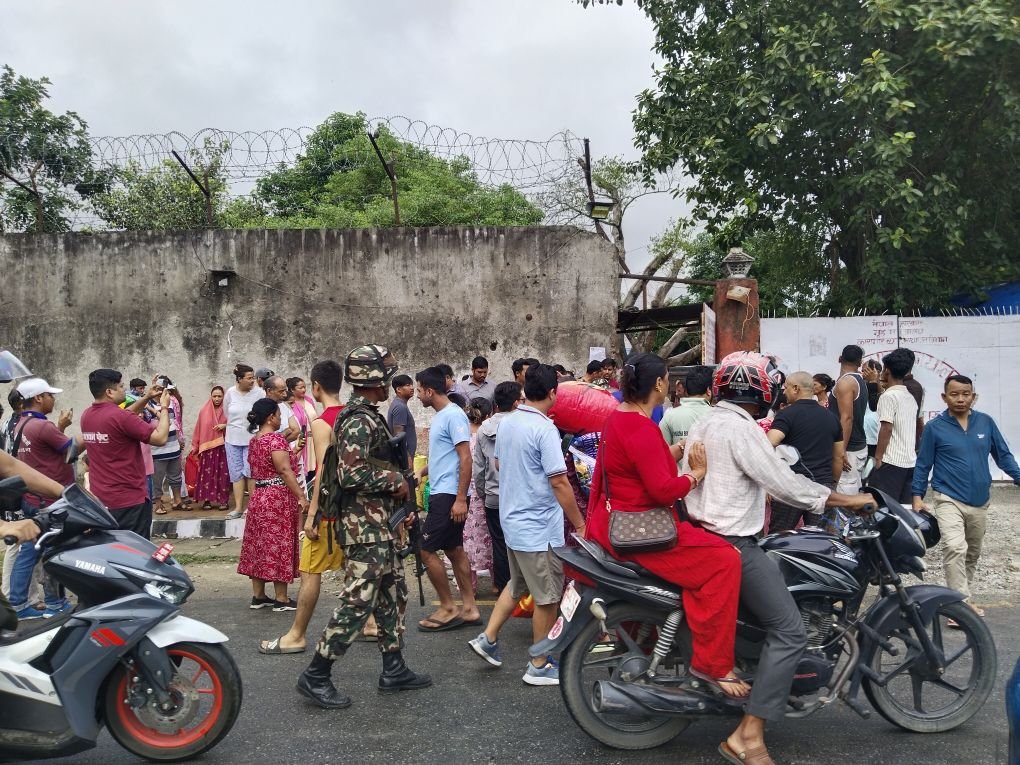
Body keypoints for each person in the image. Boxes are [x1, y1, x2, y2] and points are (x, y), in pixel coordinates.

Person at [684, 351, 875, 765]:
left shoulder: (706, 421)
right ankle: (748, 735)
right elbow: (783, 484)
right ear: (763, 391)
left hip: (704, 536)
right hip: (734, 543)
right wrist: (846, 499)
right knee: (790, 631)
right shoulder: (742, 429)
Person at [568, 353, 749, 697]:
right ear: (659, 384)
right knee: (725, 561)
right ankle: (712, 664)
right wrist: (696, 475)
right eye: (666, 378)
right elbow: (663, 490)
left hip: (614, 523)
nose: (669, 384)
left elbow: (639, 464)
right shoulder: (642, 427)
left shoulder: (618, 418)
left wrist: (678, 449)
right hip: (642, 531)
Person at [297, 345, 431, 708]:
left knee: (392, 595)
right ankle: (316, 674)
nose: (389, 382)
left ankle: (394, 668)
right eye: (385, 377)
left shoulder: (370, 415)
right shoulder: (358, 419)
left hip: (379, 525)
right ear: (372, 379)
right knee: (358, 601)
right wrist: (396, 482)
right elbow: (350, 474)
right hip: (364, 529)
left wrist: (400, 502)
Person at [468, 364, 587, 686]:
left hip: (513, 521)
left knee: (517, 585)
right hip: (537, 528)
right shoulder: (544, 429)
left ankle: (487, 638)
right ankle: (539, 663)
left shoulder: (507, 421)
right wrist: (579, 524)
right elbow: (559, 481)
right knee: (547, 598)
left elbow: (498, 463)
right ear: (552, 393)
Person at [259, 360, 348, 655]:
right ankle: (372, 623)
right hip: (353, 509)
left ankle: (296, 635)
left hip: (329, 509)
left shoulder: (323, 422)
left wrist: (311, 514)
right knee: (354, 567)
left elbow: (322, 470)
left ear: (316, 387)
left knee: (310, 570)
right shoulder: (353, 415)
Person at [912, 375, 1020, 616]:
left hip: (980, 500)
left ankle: (960, 596)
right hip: (948, 497)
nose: (960, 399)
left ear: (973, 396)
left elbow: (1003, 456)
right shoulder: (934, 428)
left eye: (965, 394)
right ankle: (960, 608)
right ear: (944, 397)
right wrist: (917, 496)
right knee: (954, 547)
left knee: (972, 552)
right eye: (954, 394)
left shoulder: (986, 423)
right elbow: (923, 463)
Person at [413, 366, 481, 631]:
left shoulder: (453, 415)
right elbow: (446, 457)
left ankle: (448, 607)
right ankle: (470, 608)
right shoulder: (443, 416)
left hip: (449, 495)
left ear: (430, 391)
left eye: (420, 390)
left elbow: (466, 458)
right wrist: (422, 471)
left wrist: (460, 498)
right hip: (443, 491)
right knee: (454, 549)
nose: (418, 395)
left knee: (425, 549)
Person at [7, 377, 78, 619]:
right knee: (54, 551)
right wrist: (85, 436)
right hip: (49, 501)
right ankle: (55, 604)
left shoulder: (19, 424)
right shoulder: (43, 427)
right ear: (38, 398)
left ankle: (18, 604)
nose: (52, 399)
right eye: (49, 395)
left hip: (31, 498)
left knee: (28, 553)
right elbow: (70, 451)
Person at [80, 370, 171, 538]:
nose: (125, 390)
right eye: (121, 386)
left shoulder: (87, 415)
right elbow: (160, 438)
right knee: (136, 550)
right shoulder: (120, 417)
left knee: (113, 549)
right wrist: (164, 407)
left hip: (102, 501)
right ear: (109, 392)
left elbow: (123, 416)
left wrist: (146, 397)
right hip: (130, 502)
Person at [237, 398, 308, 611]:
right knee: (278, 544)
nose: (280, 418)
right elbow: (284, 470)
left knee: (259, 544)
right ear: (270, 417)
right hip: (277, 498)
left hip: (259, 496)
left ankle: (259, 596)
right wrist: (301, 496)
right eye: (278, 415)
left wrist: (294, 452)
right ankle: (281, 598)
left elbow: (270, 466)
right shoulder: (275, 441)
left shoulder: (255, 441)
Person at [766, 371, 844, 532]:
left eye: (786, 388)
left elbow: (768, 444)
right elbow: (839, 456)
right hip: (822, 487)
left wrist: (770, 481)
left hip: (791, 487)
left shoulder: (786, 415)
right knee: (819, 539)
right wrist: (832, 484)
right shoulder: (831, 418)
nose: (784, 392)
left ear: (796, 388)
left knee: (780, 537)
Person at [472, 381, 521, 594]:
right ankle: (523, 587)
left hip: (494, 495)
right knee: (521, 541)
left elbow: (479, 468)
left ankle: (503, 587)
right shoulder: (523, 424)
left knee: (499, 543)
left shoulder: (484, 428)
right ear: (517, 402)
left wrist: (484, 494)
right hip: (519, 495)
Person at [868, 348, 919, 504]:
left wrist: (878, 458)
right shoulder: (909, 396)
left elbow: (886, 428)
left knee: (884, 507)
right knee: (903, 509)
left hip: (890, 461)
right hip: (909, 461)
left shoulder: (888, 396)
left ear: (887, 371)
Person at [224, 364, 265, 520]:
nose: (252, 380)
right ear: (239, 379)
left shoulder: (259, 393)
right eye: (249, 378)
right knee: (236, 474)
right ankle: (238, 508)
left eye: (253, 377)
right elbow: (227, 413)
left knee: (251, 473)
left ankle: (252, 508)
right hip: (232, 439)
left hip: (252, 439)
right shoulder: (230, 393)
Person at [463, 397, 494, 593]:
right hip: (486, 492)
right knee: (491, 537)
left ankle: (470, 587)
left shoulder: (462, 436)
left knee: (469, 539)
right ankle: (497, 584)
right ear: (489, 414)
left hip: (466, 493)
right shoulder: (489, 435)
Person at [830, 345, 869, 494]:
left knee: (845, 497)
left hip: (849, 449)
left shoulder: (846, 383)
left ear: (839, 359)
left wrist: (841, 451)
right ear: (860, 362)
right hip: (854, 446)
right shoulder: (858, 381)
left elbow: (847, 418)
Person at [151, 374, 186, 515]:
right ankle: (158, 504)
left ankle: (177, 500)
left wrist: (179, 439)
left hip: (173, 446)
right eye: (159, 388)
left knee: (176, 476)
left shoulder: (171, 402)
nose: (162, 391)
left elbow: (176, 422)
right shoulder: (149, 405)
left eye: (164, 388)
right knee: (157, 479)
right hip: (157, 450)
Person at [191, 385, 230, 511]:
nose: (217, 399)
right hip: (207, 449)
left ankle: (223, 501)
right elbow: (199, 428)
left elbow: (236, 424)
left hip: (223, 448)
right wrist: (195, 446)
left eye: (219, 396)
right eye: (214, 396)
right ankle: (206, 500)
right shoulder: (204, 411)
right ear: (211, 397)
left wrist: (225, 425)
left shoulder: (228, 410)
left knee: (222, 475)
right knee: (206, 475)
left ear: (224, 397)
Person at [658, 365, 713, 451]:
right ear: (709, 390)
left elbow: (661, 453)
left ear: (686, 389)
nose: (676, 393)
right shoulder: (719, 418)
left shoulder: (669, 416)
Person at [287, 376, 319, 485]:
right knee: (302, 465)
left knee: (313, 464)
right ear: (292, 390)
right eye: (300, 388)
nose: (304, 390)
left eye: (304, 387)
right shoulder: (291, 404)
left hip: (313, 439)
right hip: (300, 440)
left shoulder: (309, 400)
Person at [386, 374, 417, 466]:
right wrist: (407, 457)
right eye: (408, 385)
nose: (412, 388)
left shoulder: (399, 404)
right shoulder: (400, 407)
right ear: (398, 389)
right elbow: (398, 436)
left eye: (411, 385)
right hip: (404, 459)